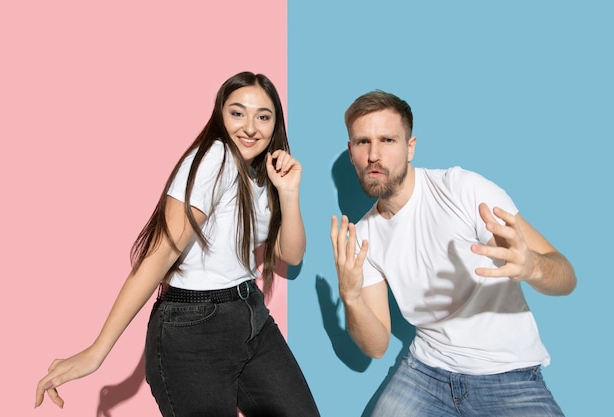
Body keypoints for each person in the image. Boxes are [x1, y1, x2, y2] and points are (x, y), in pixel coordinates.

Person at [36, 71, 321, 417]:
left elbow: (291, 253)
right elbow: (159, 255)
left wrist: (289, 193)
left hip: (250, 317)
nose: (250, 127)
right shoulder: (215, 159)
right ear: (220, 115)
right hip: (194, 329)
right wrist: (99, 350)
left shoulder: (262, 174)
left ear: (275, 124)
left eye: (263, 116)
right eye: (237, 113)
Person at [330, 90, 576, 417]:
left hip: (508, 372)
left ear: (410, 147)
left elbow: (566, 276)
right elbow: (376, 346)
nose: (374, 154)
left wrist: (532, 268)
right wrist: (350, 296)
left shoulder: (462, 190)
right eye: (363, 142)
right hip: (426, 371)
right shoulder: (363, 235)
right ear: (351, 152)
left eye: (387, 140)